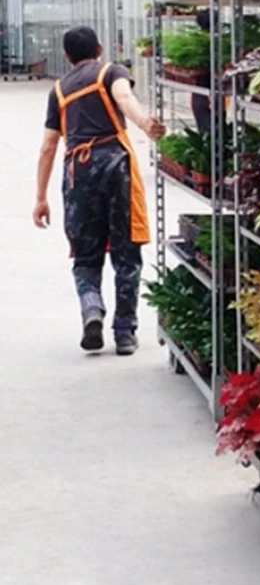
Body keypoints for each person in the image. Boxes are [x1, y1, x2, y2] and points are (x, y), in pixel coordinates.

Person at [33, 26, 165, 355]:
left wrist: (40, 198)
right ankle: (124, 332)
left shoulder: (59, 91)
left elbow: (48, 147)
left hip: (78, 173)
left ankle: (91, 309)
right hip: (115, 166)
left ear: (66, 57)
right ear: (100, 48)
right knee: (126, 253)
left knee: (86, 256)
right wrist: (146, 124)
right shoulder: (112, 72)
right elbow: (124, 98)